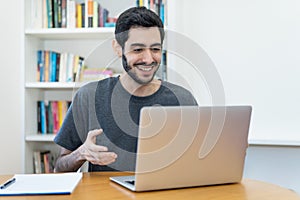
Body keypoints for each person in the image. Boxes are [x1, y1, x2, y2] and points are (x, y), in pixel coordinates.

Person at [53, 6, 198, 172]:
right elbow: (60, 168)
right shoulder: (88, 97)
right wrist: (81, 153)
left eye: (155, 49)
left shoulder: (183, 99)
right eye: (138, 49)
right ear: (117, 48)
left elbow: (197, 164)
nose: (148, 59)